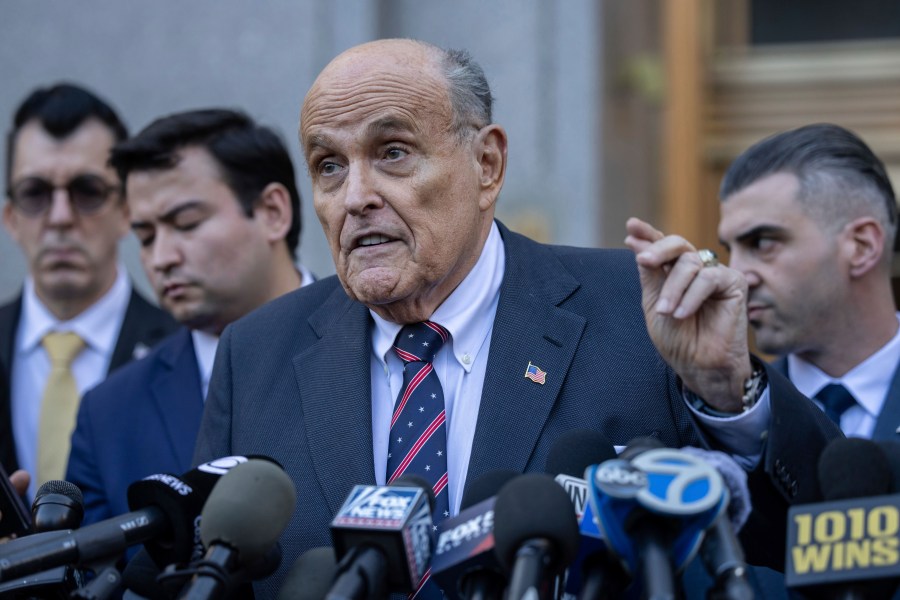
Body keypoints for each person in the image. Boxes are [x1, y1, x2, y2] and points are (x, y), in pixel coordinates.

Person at [193, 39, 839, 598]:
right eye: (329, 166)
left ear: (487, 165)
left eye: (392, 152)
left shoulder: (636, 309)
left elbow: (802, 545)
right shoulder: (255, 354)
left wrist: (727, 400)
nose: (356, 196)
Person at [65, 109, 313, 526]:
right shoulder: (108, 414)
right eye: (145, 237)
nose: (161, 258)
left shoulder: (383, 350)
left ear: (272, 211)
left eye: (186, 223)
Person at [0, 83, 177, 500]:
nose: (60, 217)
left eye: (88, 191)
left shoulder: (184, 353)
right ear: (10, 218)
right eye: (35, 193)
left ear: (126, 211)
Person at [718, 123, 900, 440]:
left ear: (862, 247)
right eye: (729, 250)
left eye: (761, 243)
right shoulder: (731, 414)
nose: (737, 277)